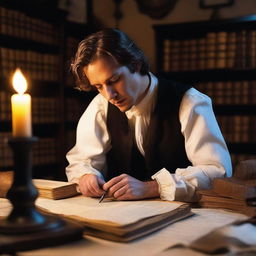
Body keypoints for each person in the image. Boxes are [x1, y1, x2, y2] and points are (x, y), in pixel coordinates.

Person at [66, 28, 232, 202]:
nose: (109, 95)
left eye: (114, 80)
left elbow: (218, 171)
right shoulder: (101, 105)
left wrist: (152, 187)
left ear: (136, 64)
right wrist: (86, 176)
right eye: (99, 86)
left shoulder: (190, 101)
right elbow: (80, 161)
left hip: (184, 215)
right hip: (124, 217)